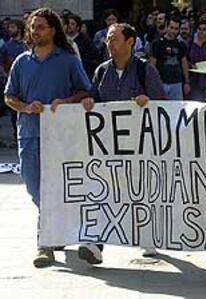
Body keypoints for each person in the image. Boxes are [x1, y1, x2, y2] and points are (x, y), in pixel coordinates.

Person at [3, 8, 91, 268]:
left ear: (52, 30)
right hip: (29, 134)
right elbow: (9, 96)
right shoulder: (21, 62)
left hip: (60, 138)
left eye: (40, 26)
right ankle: (55, 227)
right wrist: (25, 107)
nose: (35, 31)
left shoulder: (68, 60)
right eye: (33, 26)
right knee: (34, 187)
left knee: (55, 189)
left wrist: (65, 101)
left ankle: (45, 242)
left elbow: (86, 90)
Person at [79, 23, 166, 263]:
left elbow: (163, 105)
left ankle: (147, 237)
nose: (110, 43)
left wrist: (147, 100)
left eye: (114, 38)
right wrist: (88, 101)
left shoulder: (144, 70)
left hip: (140, 146)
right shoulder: (101, 71)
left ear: (130, 42)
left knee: (141, 192)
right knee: (105, 193)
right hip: (108, 147)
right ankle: (95, 244)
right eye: (107, 39)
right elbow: (93, 97)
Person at [150, 16, 190, 101]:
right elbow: (152, 64)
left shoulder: (181, 44)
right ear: (166, 27)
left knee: (177, 110)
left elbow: (184, 62)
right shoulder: (157, 43)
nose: (173, 31)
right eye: (171, 27)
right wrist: (152, 81)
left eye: (176, 28)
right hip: (161, 82)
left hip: (177, 83)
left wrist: (187, 82)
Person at [66, 14, 100, 79]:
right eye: (68, 23)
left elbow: (94, 55)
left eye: (72, 24)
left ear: (78, 27)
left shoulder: (85, 40)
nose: (69, 26)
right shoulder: (63, 39)